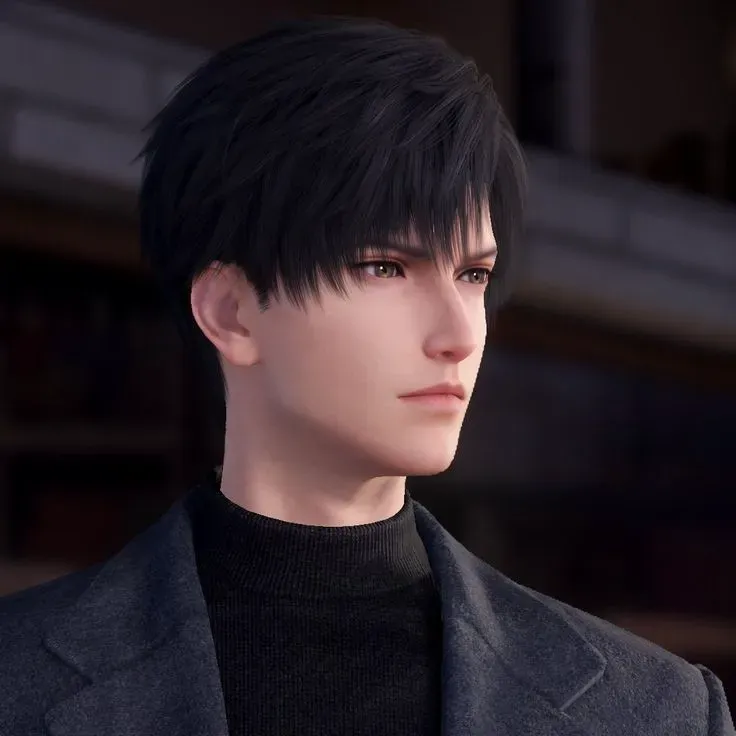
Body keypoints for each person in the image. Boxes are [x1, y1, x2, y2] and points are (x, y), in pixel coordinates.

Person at [0, 17, 733, 736]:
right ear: (231, 311)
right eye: (385, 267)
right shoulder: (16, 678)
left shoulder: (658, 712)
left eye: (473, 274)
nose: (458, 335)